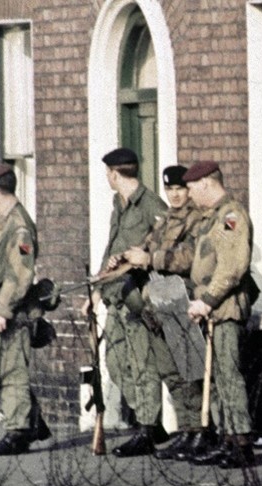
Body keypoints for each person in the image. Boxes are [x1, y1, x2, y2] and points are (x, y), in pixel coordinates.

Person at [120, 165, 209, 461]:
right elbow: (146, 246)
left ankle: (199, 430)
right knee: (169, 371)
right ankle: (185, 430)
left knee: (188, 370)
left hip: (179, 300)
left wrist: (150, 258)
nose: (174, 195)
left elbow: (189, 258)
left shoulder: (197, 219)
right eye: (170, 189)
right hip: (157, 304)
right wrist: (128, 257)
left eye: (180, 189)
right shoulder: (165, 220)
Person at [93, 148, 169, 457]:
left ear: (114, 174)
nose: (108, 179)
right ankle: (147, 418)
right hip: (114, 295)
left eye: (108, 174)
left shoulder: (152, 206)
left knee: (142, 364)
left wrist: (143, 260)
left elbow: (165, 250)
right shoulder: (118, 204)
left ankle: (148, 428)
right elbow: (112, 247)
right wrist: (97, 288)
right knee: (113, 361)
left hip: (138, 299)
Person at [182, 160, 258, 469]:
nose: (188, 196)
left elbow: (232, 267)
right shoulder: (210, 218)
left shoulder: (231, 216)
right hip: (211, 308)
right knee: (217, 378)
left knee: (229, 375)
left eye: (190, 189)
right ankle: (227, 439)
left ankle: (241, 442)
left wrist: (208, 301)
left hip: (224, 307)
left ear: (206, 184)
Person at [0, 164, 51, 456]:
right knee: (5, 369)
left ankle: (18, 432)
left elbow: (20, 274)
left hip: (14, 309)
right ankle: (33, 422)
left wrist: (2, 310)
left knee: (12, 371)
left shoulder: (19, 226)